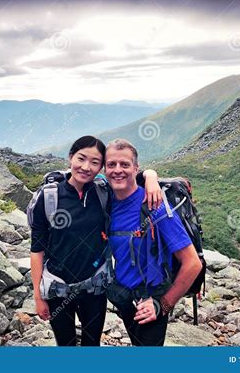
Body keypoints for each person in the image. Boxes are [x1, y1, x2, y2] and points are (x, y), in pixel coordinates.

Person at [30, 136, 162, 346]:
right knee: (66, 344)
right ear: (71, 157)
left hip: (94, 288)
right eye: (81, 158)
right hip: (58, 288)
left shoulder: (103, 191)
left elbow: (130, 177)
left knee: (92, 345)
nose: (86, 167)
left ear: (100, 167)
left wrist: (152, 176)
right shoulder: (48, 198)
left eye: (94, 162)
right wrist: (38, 296)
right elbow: (37, 249)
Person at [105, 139, 202, 346]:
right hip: (123, 297)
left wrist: (162, 305)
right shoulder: (105, 201)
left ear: (135, 168)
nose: (117, 170)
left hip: (150, 300)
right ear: (104, 169)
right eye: (111, 164)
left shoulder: (155, 205)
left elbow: (193, 263)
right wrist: (150, 175)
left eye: (125, 164)